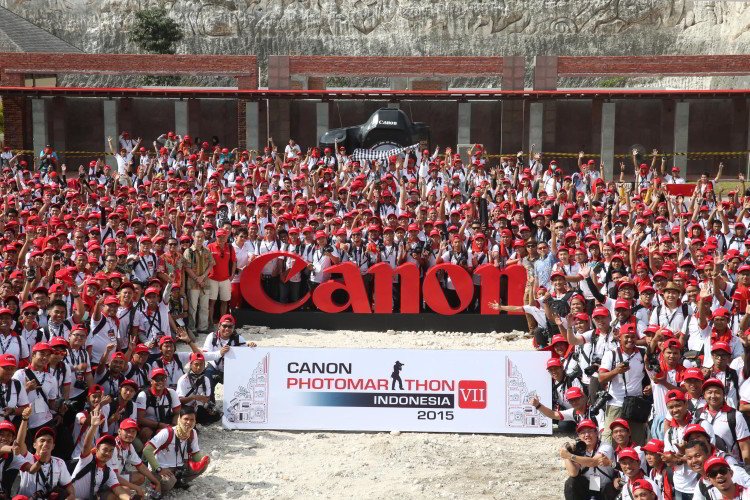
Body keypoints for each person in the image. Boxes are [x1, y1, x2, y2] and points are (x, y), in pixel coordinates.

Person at [142, 407, 210, 493]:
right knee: (169, 482)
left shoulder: (193, 432)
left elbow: (195, 453)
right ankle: (156, 484)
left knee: (204, 465)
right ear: (179, 419)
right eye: (186, 419)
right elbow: (147, 450)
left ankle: (178, 482)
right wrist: (159, 469)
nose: (189, 422)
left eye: (192, 420)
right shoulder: (167, 432)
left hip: (179, 466)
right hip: (162, 467)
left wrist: (202, 461)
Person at [559, 418, 616, 500]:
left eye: (589, 431)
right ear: (579, 436)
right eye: (582, 432)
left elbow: (593, 462)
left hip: (605, 487)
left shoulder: (605, 446)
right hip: (588, 486)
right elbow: (573, 473)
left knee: (611, 489)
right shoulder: (579, 449)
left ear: (596, 432)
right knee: (571, 482)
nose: (586, 435)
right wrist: (566, 454)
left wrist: (570, 456)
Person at [183, 230, 213, 335]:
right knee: (193, 307)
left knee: (204, 306)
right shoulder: (188, 251)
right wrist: (197, 279)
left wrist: (203, 277)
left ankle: (203, 327)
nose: (199, 239)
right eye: (197, 236)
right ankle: (192, 328)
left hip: (205, 282)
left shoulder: (207, 250)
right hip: (193, 283)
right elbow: (187, 267)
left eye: (201, 237)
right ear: (193, 237)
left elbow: (211, 264)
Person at [206, 229, 236, 331]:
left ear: (226, 237)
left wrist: (232, 275)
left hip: (225, 279)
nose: (221, 238)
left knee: (225, 301)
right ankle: (210, 323)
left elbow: (234, 261)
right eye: (219, 236)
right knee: (212, 302)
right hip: (212, 278)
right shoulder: (210, 246)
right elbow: (206, 261)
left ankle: (222, 322)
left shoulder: (230, 247)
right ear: (216, 237)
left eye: (223, 236)